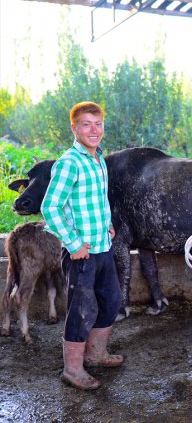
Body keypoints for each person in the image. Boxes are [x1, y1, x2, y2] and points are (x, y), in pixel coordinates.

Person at [41, 101, 123, 390]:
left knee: (111, 301)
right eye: (86, 124)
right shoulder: (69, 162)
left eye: (98, 124)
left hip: (102, 246)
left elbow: (97, 200)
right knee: (81, 309)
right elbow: (50, 207)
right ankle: (73, 370)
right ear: (74, 127)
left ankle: (97, 354)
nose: (94, 130)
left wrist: (109, 223)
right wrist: (74, 243)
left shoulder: (98, 158)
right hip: (82, 252)